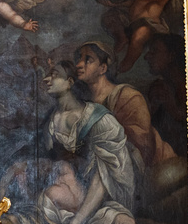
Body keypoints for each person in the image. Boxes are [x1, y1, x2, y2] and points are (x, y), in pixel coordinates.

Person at [37, 61, 154, 224]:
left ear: (70, 82)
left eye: (54, 75)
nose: (47, 79)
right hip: (71, 192)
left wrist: (79, 218)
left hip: (101, 192)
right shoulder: (51, 121)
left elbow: (105, 175)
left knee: (117, 217)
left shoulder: (98, 119)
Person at [73, 40, 176, 168]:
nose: (79, 65)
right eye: (79, 59)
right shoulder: (82, 102)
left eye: (88, 60)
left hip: (159, 168)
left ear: (103, 68)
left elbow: (143, 143)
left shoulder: (128, 97)